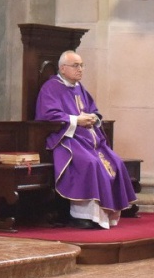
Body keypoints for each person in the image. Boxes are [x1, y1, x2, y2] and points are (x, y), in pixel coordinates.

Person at [36, 50, 136, 229]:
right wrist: (76, 120)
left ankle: (106, 213)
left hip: (89, 140)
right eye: (76, 65)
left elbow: (93, 110)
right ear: (62, 68)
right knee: (90, 163)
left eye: (82, 65)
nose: (80, 69)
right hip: (66, 140)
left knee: (116, 162)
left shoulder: (79, 87)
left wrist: (93, 118)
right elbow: (48, 115)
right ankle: (82, 215)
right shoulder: (51, 87)